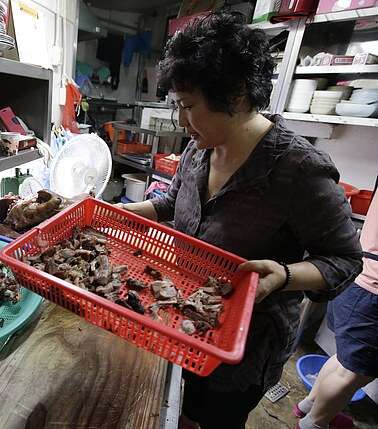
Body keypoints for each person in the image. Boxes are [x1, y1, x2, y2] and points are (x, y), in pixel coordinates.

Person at [117, 12, 363, 429]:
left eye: (189, 106)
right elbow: (175, 203)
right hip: (183, 316)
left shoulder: (298, 170)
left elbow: (344, 259)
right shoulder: (200, 148)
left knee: (214, 419)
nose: (181, 121)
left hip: (244, 349)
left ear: (236, 94)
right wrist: (123, 214)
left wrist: (283, 275)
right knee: (174, 410)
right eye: (179, 106)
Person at [294, 192, 377, 429]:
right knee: (355, 373)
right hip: (372, 291)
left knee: (344, 360)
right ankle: (315, 423)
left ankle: (309, 407)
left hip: (360, 278)